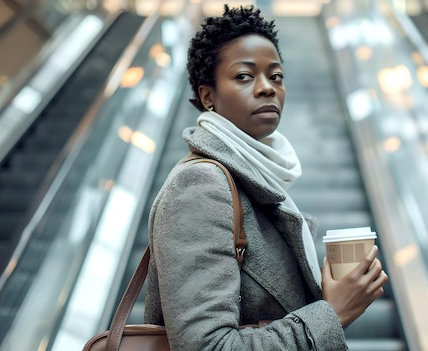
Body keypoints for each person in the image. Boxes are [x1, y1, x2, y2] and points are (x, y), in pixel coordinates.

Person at [144, 4, 388, 350]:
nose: (267, 88)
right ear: (207, 96)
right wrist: (332, 313)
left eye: (276, 76)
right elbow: (206, 346)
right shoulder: (200, 186)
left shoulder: (258, 180)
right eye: (244, 76)